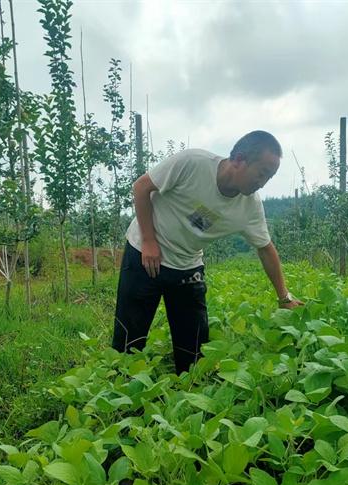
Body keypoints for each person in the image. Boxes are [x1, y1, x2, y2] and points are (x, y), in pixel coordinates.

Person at [112, 130, 304, 374]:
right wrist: (149, 240)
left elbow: (266, 249)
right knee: (128, 342)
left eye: (270, 177)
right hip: (144, 254)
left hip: (187, 265)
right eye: (262, 173)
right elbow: (141, 187)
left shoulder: (250, 207)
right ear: (239, 160)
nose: (263, 183)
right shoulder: (192, 163)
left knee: (193, 357)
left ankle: (183, 392)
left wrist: (284, 298)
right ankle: (122, 394)